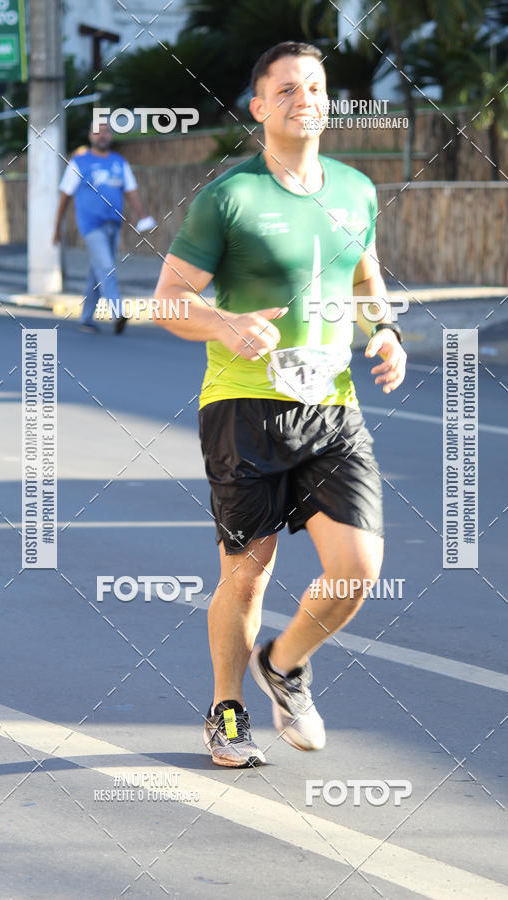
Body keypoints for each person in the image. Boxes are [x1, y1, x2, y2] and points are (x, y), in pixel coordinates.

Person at [153, 41, 407, 767]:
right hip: (244, 405)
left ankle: (286, 664)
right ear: (260, 107)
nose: (307, 99)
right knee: (248, 571)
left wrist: (384, 329)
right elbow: (167, 302)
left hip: (331, 406)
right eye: (289, 88)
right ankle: (227, 709)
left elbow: (366, 275)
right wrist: (226, 324)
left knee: (357, 569)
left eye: (317, 87)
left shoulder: (356, 189)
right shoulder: (229, 196)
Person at [53, 121, 153, 334]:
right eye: (98, 132)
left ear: (111, 136)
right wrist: (57, 227)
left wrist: (143, 215)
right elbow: (65, 196)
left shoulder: (119, 162)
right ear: (90, 136)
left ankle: (86, 319)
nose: (103, 136)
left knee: (97, 272)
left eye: (106, 132)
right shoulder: (79, 163)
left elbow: (131, 191)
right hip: (91, 225)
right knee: (106, 267)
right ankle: (117, 312)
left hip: (114, 224)